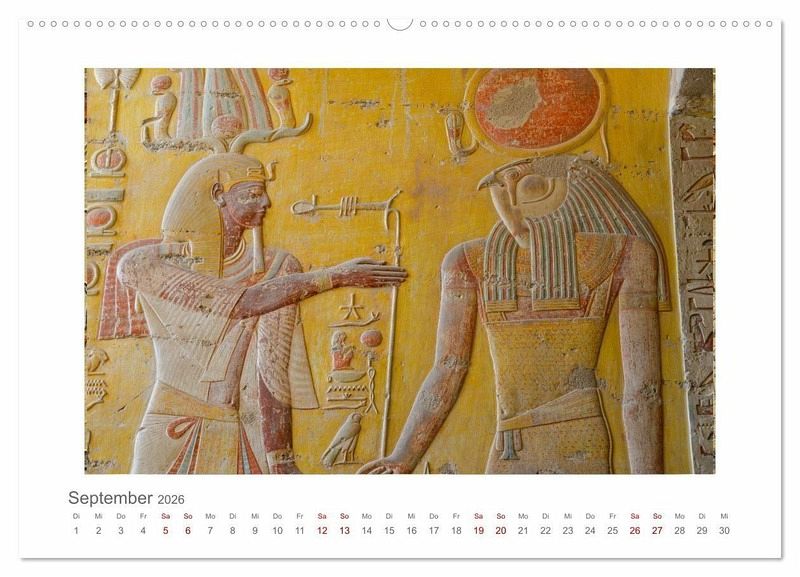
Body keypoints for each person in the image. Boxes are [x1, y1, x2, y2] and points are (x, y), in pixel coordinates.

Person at [358, 155, 668, 475]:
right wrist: (403, 456)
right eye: (500, 192)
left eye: (527, 186)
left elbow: (642, 389)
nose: (510, 210)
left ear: (567, 186)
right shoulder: (467, 260)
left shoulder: (629, 254)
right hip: (509, 443)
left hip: (579, 438)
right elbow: (448, 367)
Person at [114, 152, 406, 474]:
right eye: (252, 194)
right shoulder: (143, 264)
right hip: (171, 428)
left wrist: (281, 458)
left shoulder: (280, 267)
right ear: (218, 195)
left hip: (243, 431)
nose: (266, 202)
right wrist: (335, 277)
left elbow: (272, 368)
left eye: (263, 193)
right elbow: (243, 303)